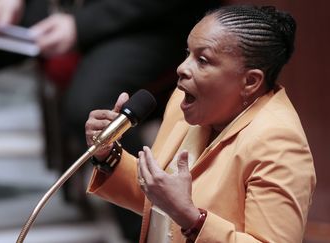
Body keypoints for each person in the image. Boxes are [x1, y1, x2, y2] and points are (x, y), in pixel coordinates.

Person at [0, 0, 219, 241]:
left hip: (145, 19)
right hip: (66, 7)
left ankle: (144, 230)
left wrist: (80, 25)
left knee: (94, 110)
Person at [85, 5, 317, 243]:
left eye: (202, 60)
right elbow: (157, 198)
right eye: (188, 53)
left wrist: (190, 217)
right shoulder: (184, 104)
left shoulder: (279, 144)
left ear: (250, 81)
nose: (182, 68)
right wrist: (107, 155)